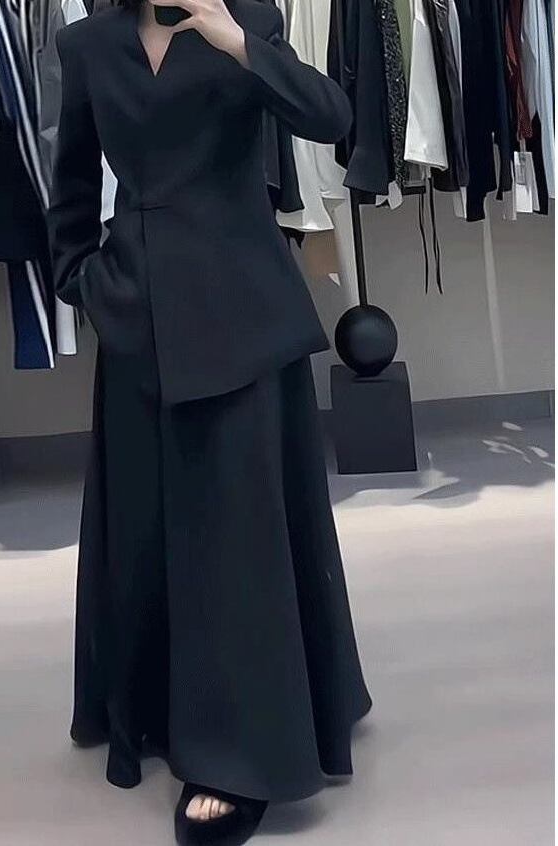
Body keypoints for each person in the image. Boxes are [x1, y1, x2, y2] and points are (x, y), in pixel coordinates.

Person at [47, 1, 372, 843]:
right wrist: (82, 279)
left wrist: (234, 41)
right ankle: (157, 707)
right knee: (146, 528)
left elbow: (331, 116)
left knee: (242, 536)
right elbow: (71, 184)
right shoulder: (88, 45)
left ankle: (240, 753)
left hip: (242, 314)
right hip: (138, 321)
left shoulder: (251, 20)